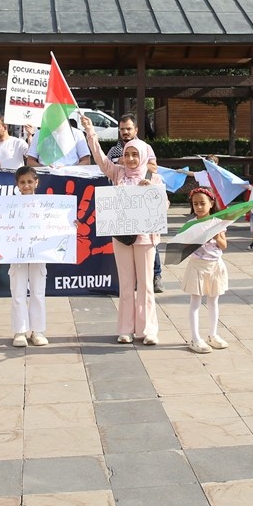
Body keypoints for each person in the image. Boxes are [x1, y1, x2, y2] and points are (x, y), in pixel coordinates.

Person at [82, 113, 166, 345]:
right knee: (126, 284)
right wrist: (91, 132)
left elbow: (164, 206)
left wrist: (152, 191)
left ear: (143, 156)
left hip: (146, 238)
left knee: (147, 285)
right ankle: (126, 329)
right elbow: (100, 159)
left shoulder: (153, 176)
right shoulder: (118, 173)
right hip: (121, 236)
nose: (129, 159)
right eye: (127, 154)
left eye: (134, 154)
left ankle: (148, 330)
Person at [107, 114, 162, 291]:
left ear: (136, 129)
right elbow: (108, 168)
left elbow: (154, 167)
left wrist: (135, 165)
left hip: (144, 203)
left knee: (148, 241)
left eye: (128, 128)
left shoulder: (145, 147)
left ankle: (156, 274)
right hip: (124, 205)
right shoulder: (114, 151)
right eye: (122, 129)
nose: (125, 132)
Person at [184, 187, 230, 354]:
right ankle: (195, 338)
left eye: (202, 203)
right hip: (197, 266)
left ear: (211, 203)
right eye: (195, 204)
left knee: (213, 301)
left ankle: (213, 334)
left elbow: (224, 246)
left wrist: (217, 235)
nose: (199, 207)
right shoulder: (191, 224)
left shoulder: (218, 223)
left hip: (215, 266)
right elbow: (185, 247)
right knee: (195, 303)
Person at [9, 166, 49, 347]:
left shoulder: (45, 204)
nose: (26, 185)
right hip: (17, 252)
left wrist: (70, 223)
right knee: (18, 291)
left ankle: (38, 330)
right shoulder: (8, 205)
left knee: (38, 291)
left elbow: (56, 223)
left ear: (36, 182)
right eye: (22, 182)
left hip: (39, 252)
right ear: (17, 185)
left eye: (29, 182)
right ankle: (20, 331)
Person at [25, 118, 91, 168]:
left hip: (71, 178)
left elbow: (86, 161)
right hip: (45, 177)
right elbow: (30, 161)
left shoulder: (77, 133)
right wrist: (44, 168)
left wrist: (69, 169)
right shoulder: (39, 134)